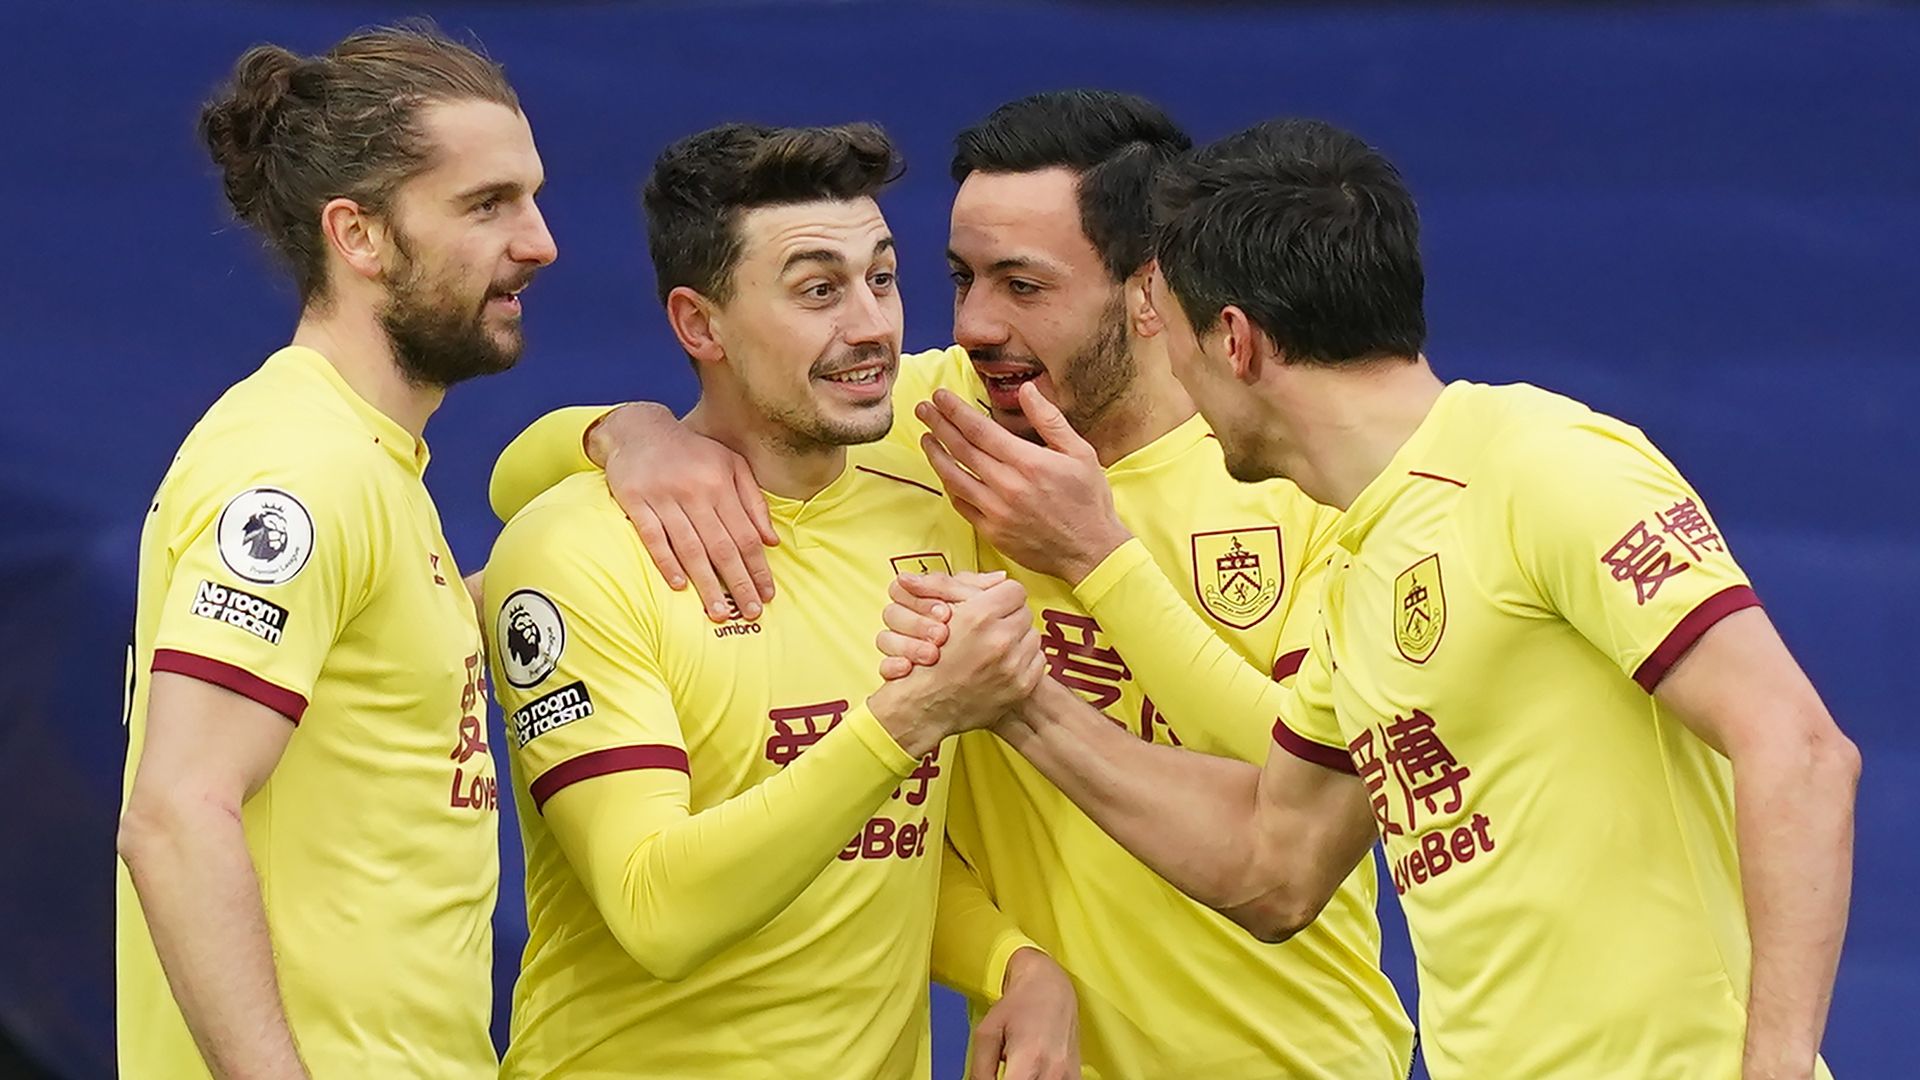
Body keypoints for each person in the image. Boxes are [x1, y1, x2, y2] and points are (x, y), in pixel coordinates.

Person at [881, 118, 1860, 1080]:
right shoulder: (1358, 563)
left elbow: (1801, 749)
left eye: (1170, 335)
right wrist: (1018, 699)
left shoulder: (1540, 463)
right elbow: (1275, 868)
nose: (1168, 371)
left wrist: (1774, 1065)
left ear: (1235, 340)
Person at [490, 92, 1415, 1080]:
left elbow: (1304, 806)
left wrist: (1097, 561)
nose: (971, 325)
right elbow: (533, 479)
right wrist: (626, 431)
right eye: (959, 278)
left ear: (1150, 289)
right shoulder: (937, 435)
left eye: (1022, 284)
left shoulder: (1299, 482)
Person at [482, 121, 1071, 1080]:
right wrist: (914, 715)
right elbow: (655, 911)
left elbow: (869, 854)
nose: (874, 325)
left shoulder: (928, 506)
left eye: (882, 277)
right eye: (816, 290)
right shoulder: (578, 552)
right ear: (698, 325)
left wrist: (1016, 964)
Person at [115, 23, 555, 1079]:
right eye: (488, 204)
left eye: (532, 197)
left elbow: (399, 667)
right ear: (359, 237)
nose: (540, 242)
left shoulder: (369, 462)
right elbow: (176, 816)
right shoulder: (301, 466)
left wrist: (625, 451)